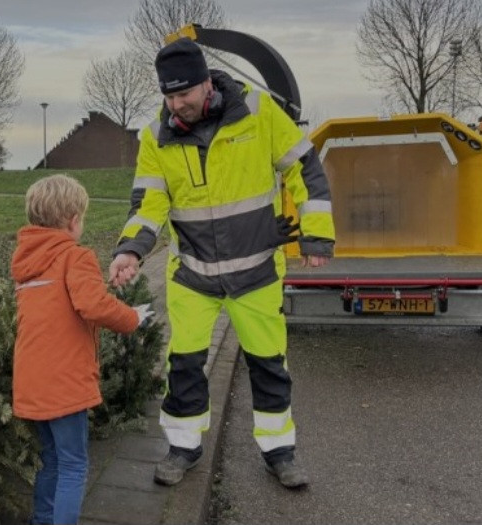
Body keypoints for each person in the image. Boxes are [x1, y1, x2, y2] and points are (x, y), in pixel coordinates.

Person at [108, 37, 335, 489]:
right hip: (192, 275)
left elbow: (304, 167)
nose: (177, 105)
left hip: (256, 272)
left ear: (206, 83)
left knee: (269, 364)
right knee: (185, 364)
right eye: (169, 96)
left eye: (184, 94)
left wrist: (317, 235)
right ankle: (183, 447)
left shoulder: (258, 111)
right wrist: (130, 250)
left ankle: (279, 452)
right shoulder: (156, 135)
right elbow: (149, 202)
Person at [12, 174, 154, 525]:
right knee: (74, 464)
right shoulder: (76, 255)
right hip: (64, 381)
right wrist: (132, 318)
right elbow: (92, 306)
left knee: (51, 459)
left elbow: (64, 301)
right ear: (74, 220)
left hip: (31, 380)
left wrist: (100, 286)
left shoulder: (27, 262)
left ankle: (42, 520)